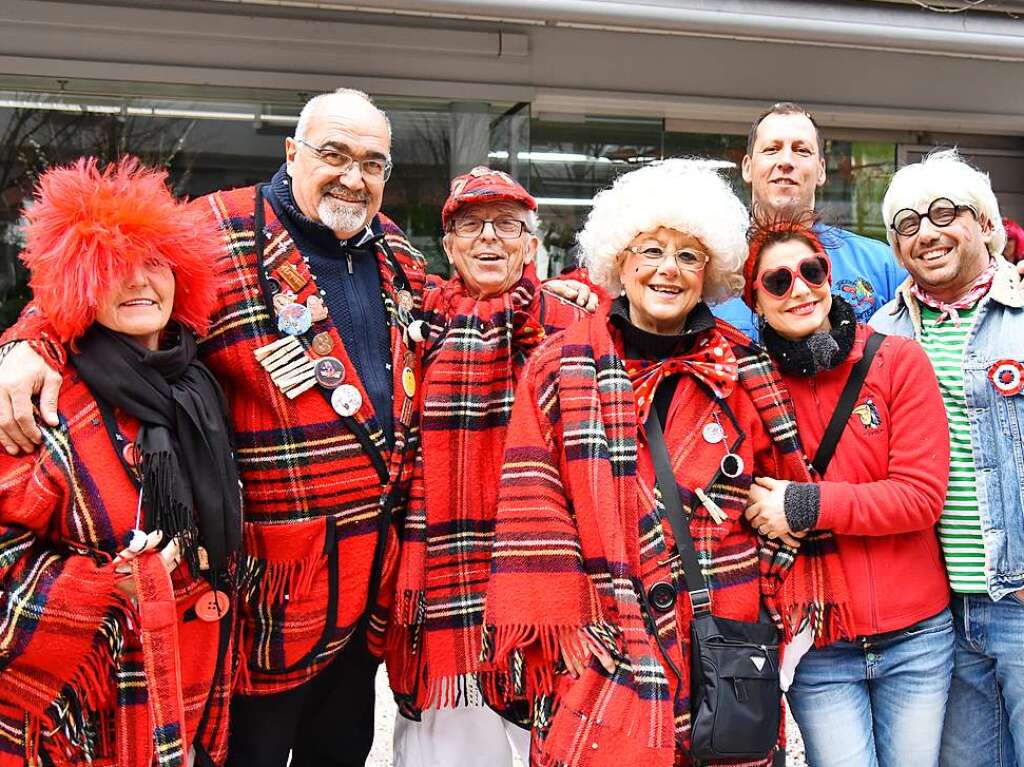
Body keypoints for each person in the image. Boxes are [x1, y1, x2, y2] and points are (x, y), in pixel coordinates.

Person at [0, 89, 425, 767]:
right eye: (334, 154)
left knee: (344, 748)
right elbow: (108, 281)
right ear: (292, 153)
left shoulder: (399, 256)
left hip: (369, 594)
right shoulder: (217, 230)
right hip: (267, 599)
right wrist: (21, 346)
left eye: (372, 162)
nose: (354, 176)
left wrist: (571, 292)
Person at [483, 160, 852, 767]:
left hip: (721, 634)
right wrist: (567, 615)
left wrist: (766, 564)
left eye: (688, 256)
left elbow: (784, 489)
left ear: (709, 272)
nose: (668, 270)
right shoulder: (558, 364)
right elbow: (532, 501)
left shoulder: (745, 366)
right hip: (604, 631)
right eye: (651, 250)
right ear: (619, 263)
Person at [0, 157, 240, 766]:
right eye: (111, 267)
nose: (139, 282)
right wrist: (109, 588)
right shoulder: (47, 398)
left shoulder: (200, 380)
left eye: (155, 263)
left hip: (196, 686)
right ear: (77, 282)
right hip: (90, 709)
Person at [386, 167, 586, 767]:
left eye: (506, 225)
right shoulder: (416, 325)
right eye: (471, 226)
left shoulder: (575, 326)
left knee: (549, 745)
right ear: (447, 246)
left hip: (541, 579)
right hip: (444, 584)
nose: (489, 240)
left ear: (532, 241)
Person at [741, 213, 953, 767]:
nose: (800, 289)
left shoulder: (898, 361)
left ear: (829, 275)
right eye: (777, 281)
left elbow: (919, 497)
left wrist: (805, 504)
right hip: (818, 643)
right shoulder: (746, 385)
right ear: (755, 301)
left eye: (810, 271)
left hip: (916, 637)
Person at [870, 149, 1024, 767]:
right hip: (935, 617)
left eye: (942, 213)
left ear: (985, 224)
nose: (925, 233)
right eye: (907, 224)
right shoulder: (880, 337)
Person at [714, 102, 906, 338]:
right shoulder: (713, 268)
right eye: (772, 149)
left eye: (801, 150)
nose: (785, 161)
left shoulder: (882, 265)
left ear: (821, 170)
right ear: (747, 167)